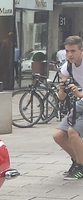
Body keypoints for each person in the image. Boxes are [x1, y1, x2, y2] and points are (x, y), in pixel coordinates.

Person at [52, 35, 83, 180]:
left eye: (73, 51)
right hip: (81, 102)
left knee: (73, 131)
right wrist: (62, 90)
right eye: (67, 51)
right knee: (58, 135)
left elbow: (78, 94)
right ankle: (77, 160)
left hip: (81, 98)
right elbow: (61, 97)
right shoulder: (67, 66)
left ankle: (81, 168)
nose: (69, 55)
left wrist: (79, 94)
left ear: (81, 51)